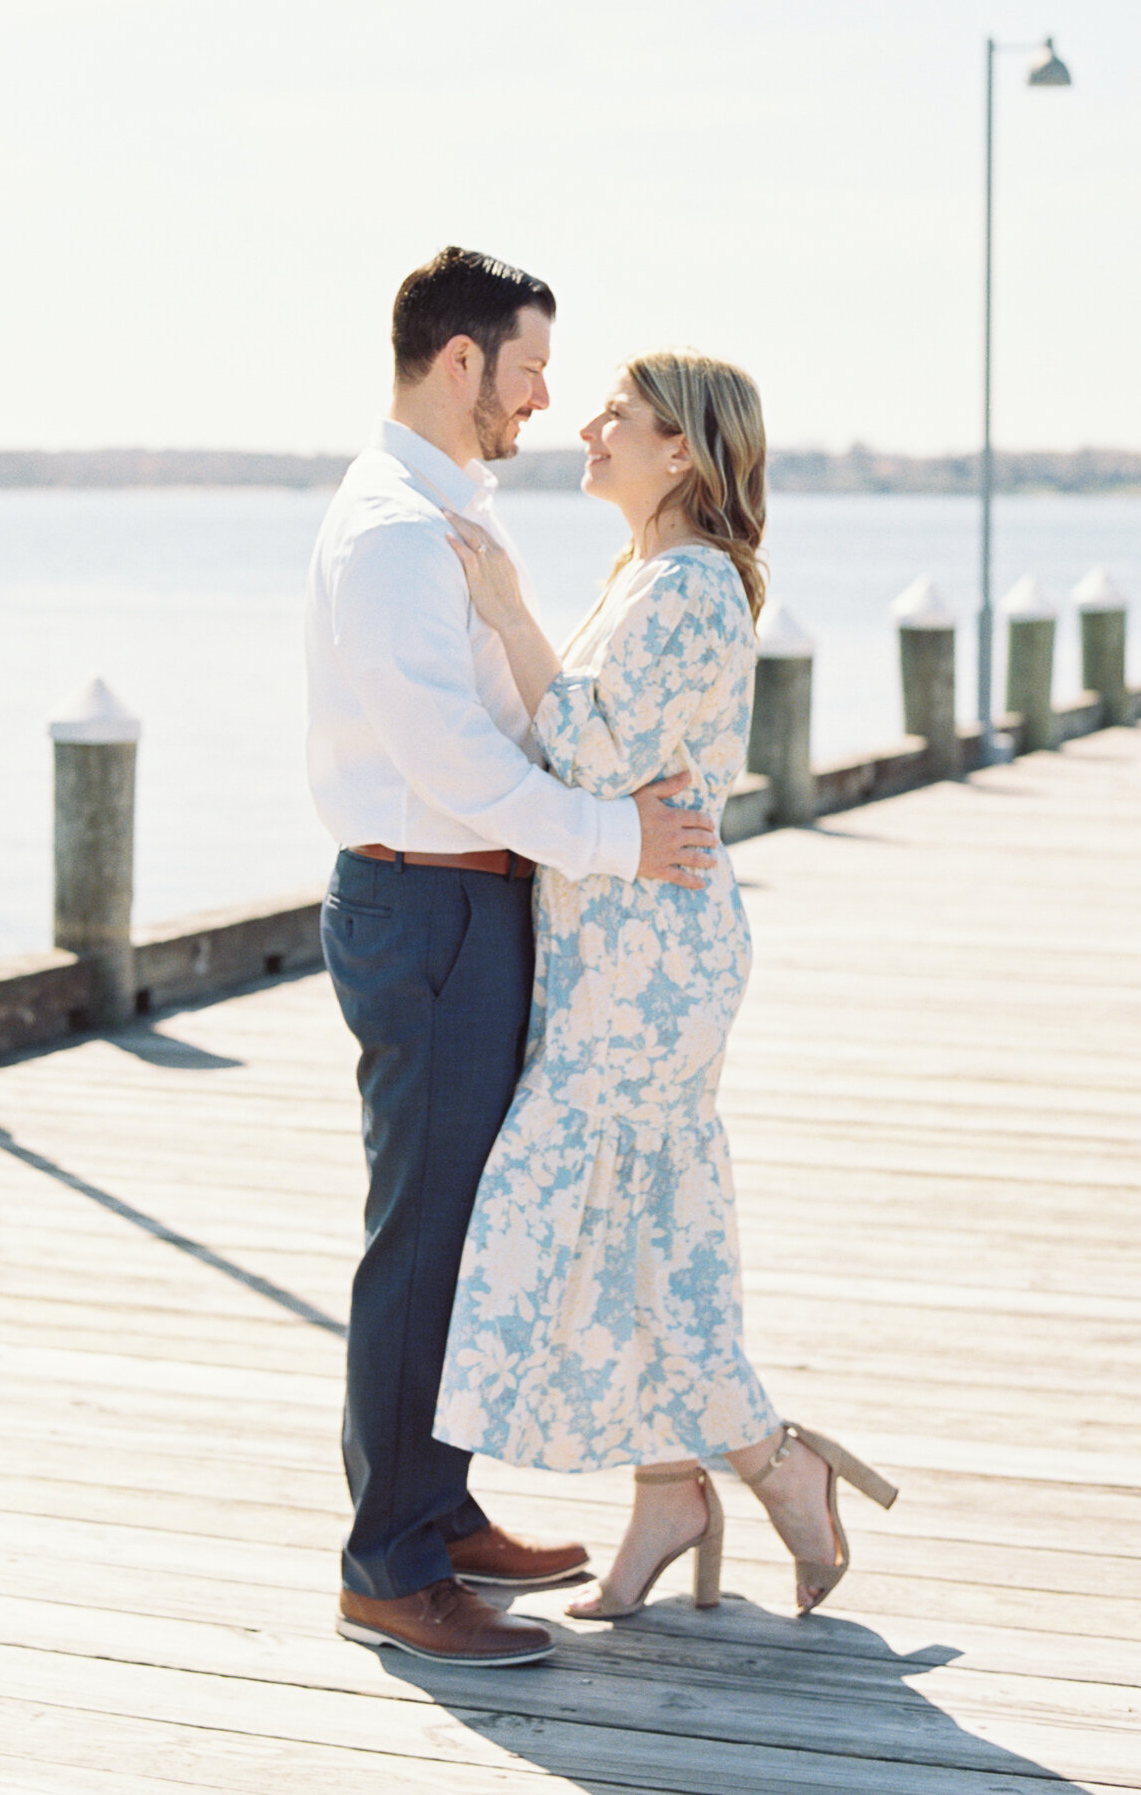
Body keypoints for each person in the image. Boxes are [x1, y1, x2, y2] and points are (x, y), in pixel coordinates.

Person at [433, 350, 898, 1620]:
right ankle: (669, 1491)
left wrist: (507, 612)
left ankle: (769, 1462)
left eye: (618, 417)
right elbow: (588, 748)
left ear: (681, 449)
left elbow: (583, 748)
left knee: (598, 1208)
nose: (586, 426)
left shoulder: (686, 586)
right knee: (641, 1226)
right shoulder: (643, 575)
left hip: (651, 961)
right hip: (620, 947)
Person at [305, 250, 720, 1668]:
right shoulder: (393, 536)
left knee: (461, 1228)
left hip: (476, 908)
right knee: (420, 1240)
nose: (546, 399)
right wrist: (617, 844)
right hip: (422, 906)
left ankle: (438, 1507)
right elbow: (453, 761)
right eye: (533, 366)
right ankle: (389, 1565)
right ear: (463, 360)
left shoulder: (449, 519)